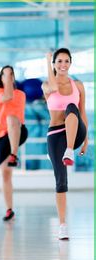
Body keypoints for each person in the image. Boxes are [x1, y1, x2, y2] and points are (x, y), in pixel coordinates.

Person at [42, 48, 88, 240]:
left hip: (76, 133)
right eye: (58, 61)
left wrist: (86, 140)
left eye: (66, 61)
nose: (62, 65)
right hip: (56, 134)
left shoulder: (78, 85)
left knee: (72, 107)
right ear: (54, 64)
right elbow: (53, 87)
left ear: (70, 63)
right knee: (60, 181)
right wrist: (47, 60)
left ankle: (69, 150)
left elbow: (82, 112)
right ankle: (62, 225)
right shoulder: (47, 85)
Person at [0, 65, 28, 221]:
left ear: (13, 78)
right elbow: (5, 96)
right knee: (6, 175)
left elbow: (10, 97)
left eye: (11, 74)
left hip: (18, 131)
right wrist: (6, 78)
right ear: (0, 78)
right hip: (1, 136)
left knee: (11, 118)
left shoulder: (20, 94)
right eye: (5, 75)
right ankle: (9, 210)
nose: (8, 77)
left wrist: (7, 79)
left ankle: (14, 154)